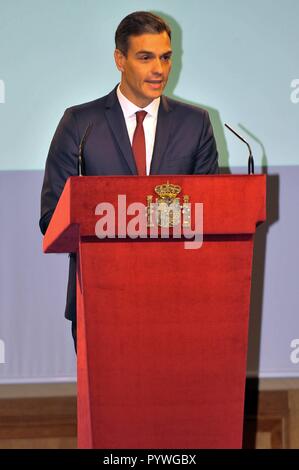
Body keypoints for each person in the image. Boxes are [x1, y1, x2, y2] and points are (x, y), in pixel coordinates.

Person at [39, 11, 219, 348]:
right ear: (119, 59)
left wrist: (131, 216)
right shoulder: (80, 124)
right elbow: (52, 218)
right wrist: (135, 218)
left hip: (180, 300)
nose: (160, 69)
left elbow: (209, 214)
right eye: (145, 57)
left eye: (166, 57)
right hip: (99, 299)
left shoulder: (195, 124)